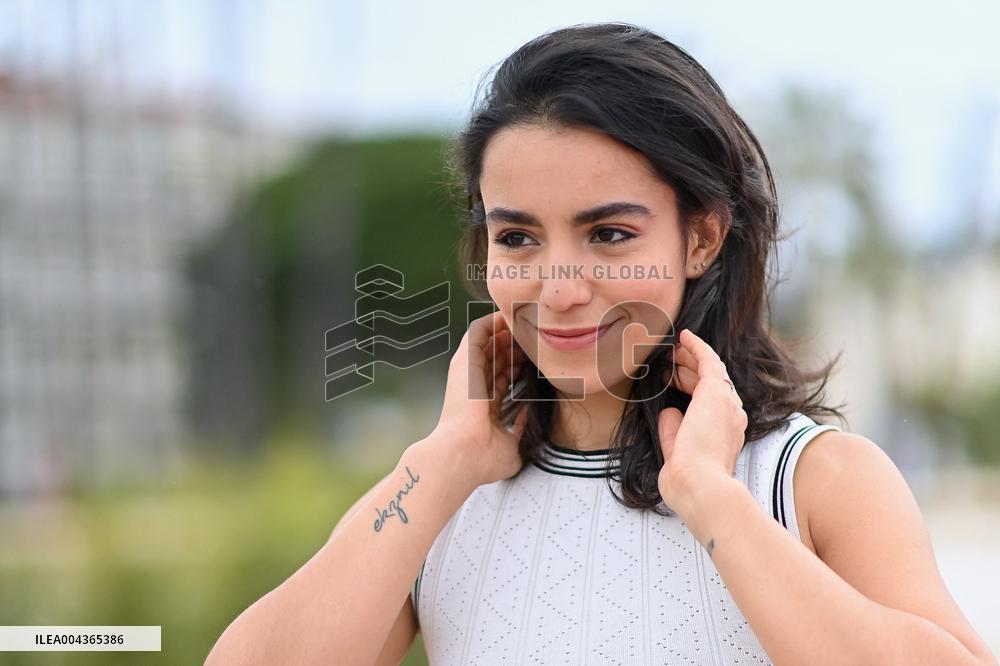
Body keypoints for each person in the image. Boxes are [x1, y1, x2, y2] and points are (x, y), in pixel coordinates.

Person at [205, 22, 997, 665]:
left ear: (701, 238)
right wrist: (445, 462)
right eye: (517, 238)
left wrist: (713, 500)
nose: (559, 288)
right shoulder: (445, 494)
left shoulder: (812, 480)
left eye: (610, 234)